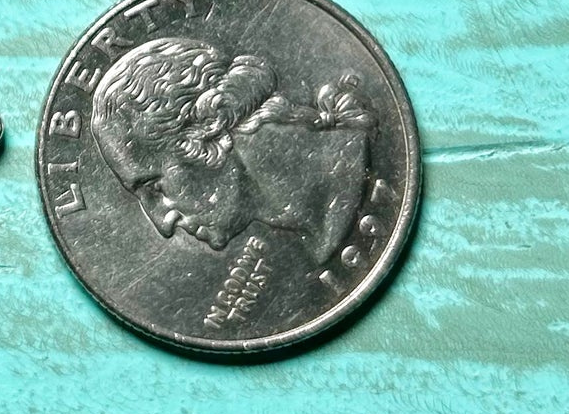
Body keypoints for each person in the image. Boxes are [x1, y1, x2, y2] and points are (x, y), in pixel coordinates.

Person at [90, 36, 373, 264]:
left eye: (154, 187)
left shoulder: (352, 167)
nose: (163, 223)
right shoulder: (321, 235)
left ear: (208, 127)